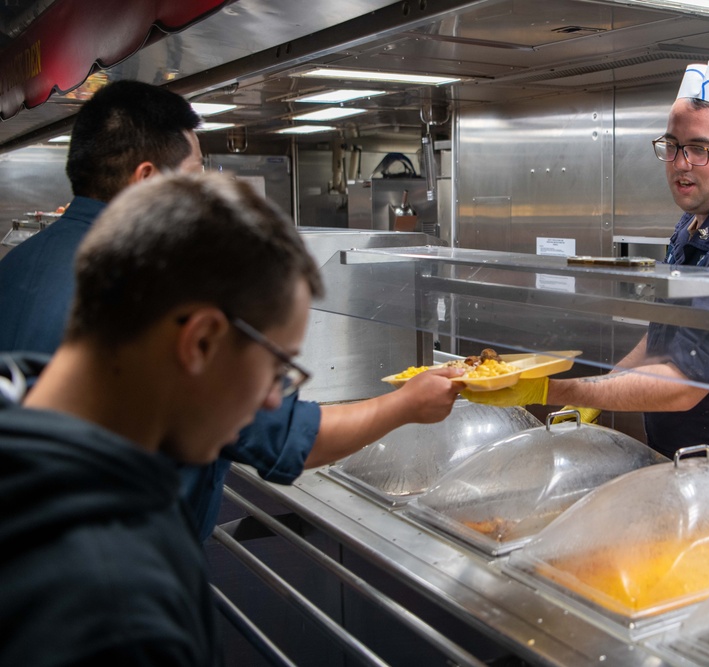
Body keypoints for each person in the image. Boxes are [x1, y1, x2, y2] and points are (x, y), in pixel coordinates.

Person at [0, 80, 464, 541]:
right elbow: (285, 439)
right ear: (145, 181)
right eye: (195, 175)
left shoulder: (15, 266)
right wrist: (406, 404)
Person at [465, 61, 709, 506]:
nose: (680, 164)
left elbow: (683, 383)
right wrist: (601, 392)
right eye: (672, 145)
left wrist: (552, 388)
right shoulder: (694, 223)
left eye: (699, 149)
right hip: (699, 462)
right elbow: (667, 336)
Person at [0, 172, 324, 665]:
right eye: (278, 367)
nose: (273, 401)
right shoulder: (118, 605)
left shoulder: (20, 407)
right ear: (200, 341)